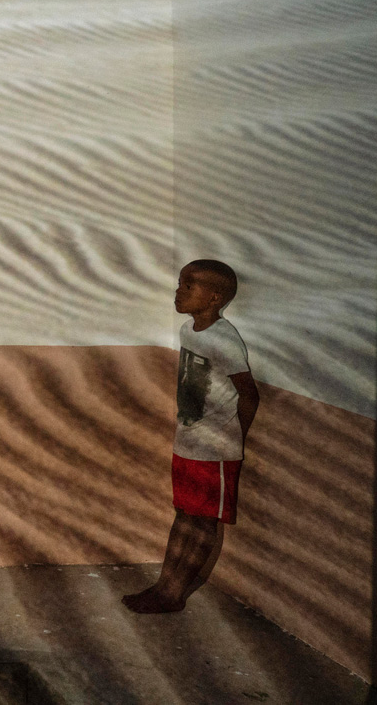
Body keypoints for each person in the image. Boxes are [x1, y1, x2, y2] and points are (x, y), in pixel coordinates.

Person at [124, 258, 259, 614]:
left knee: (201, 523)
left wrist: (232, 439)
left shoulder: (224, 339)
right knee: (184, 516)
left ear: (214, 297)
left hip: (214, 450)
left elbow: (248, 393)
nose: (178, 291)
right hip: (187, 444)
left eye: (189, 285)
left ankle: (173, 595)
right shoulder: (189, 331)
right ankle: (163, 587)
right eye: (180, 283)